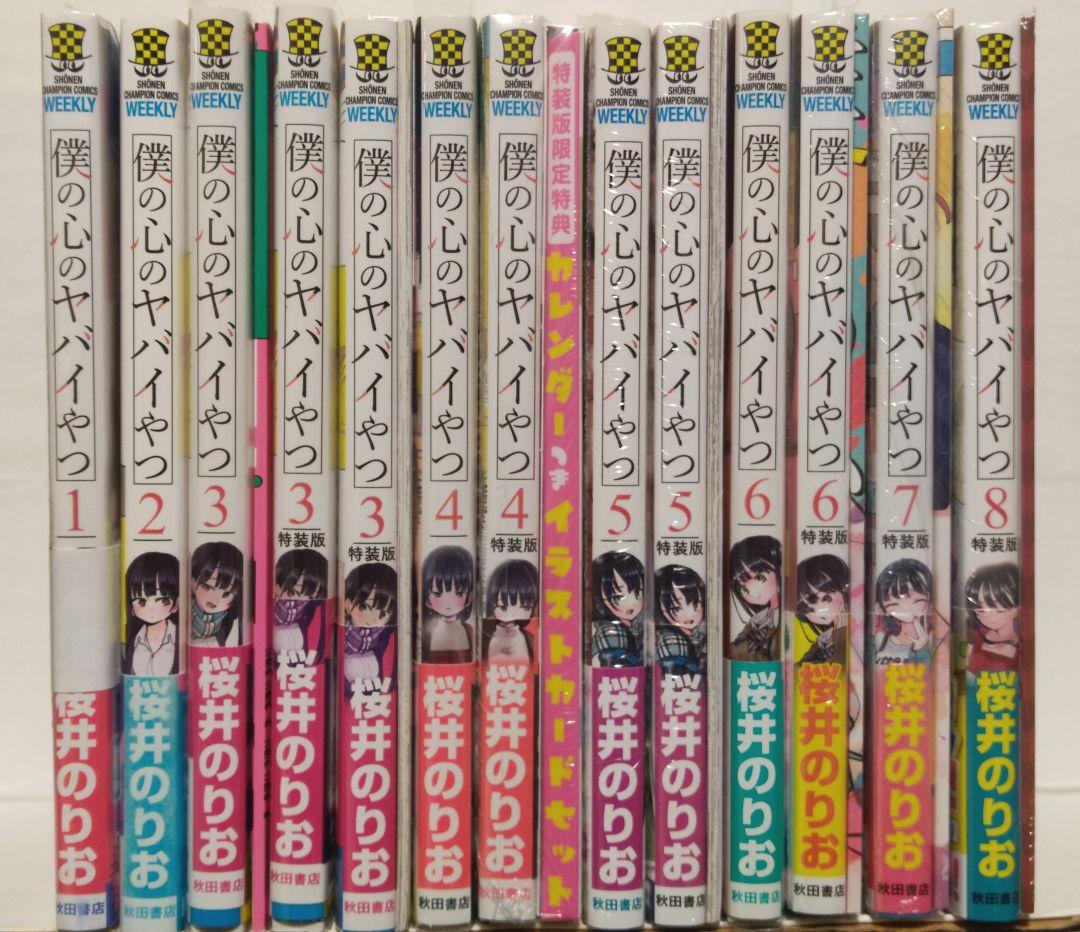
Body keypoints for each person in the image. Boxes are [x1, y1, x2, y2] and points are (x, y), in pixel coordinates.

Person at [342, 562, 397, 692]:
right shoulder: (341, 634)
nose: (372, 619)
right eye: (364, 607)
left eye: (383, 614)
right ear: (348, 605)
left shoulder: (386, 637)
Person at [124, 551, 180, 676]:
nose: (151, 609)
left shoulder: (180, 638)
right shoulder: (130, 640)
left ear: (176, 603)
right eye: (141, 601)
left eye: (162, 600)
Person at [729, 535, 782, 662]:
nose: (750, 590)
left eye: (759, 578)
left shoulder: (784, 621)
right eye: (742, 586)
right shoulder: (756, 621)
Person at [964, 561, 1020, 675]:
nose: (987, 613)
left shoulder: (1023, 644)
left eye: (995, 605)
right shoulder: (975, 635)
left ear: (1018, 606)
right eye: (979, 606)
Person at [591, 550, 645, 668]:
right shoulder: (611, 633)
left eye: (638, 592)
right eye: (617, 597)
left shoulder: (636, 624)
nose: (631, 603)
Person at [421, 545, 474, 664]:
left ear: (469, 597)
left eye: (459, 593)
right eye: (437, 593)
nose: (448, 603)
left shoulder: (471, 632)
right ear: (427, 598)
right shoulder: (425, 635)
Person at [874, 558, 933, 664]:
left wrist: (920, 650)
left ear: (929, 604)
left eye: (917, 600)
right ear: (880, 608)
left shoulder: (934, 639)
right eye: (895, 602)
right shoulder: (879, 639)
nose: (906, 607)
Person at [794, 553, 849, 664]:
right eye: (809, 610)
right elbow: (801, 667)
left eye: (826, 599)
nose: (819, 612)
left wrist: (841, 632)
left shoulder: (856, 632)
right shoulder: (822, 640)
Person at [274, 548, 328, 659]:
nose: (301, 602)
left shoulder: (313, 615)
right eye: (292, 593)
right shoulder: (263, 614)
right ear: (277, 587)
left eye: (311, 597)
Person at [654, 564, 706, 676]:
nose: (689, 614)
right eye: (676, 609)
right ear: (664, 611)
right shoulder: (668, 640)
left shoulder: (702, 632)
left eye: (696, 604)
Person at [482, 559, 537, 664]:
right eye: (503, 607)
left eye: (525, 607)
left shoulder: (530, 638)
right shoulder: (484, 635)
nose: (511, 615)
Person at [190, 542, 243, 648]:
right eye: (208, 587)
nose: (215, 599)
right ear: (193, 582)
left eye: (226, 594)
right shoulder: (180, 617)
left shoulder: (231, 623)